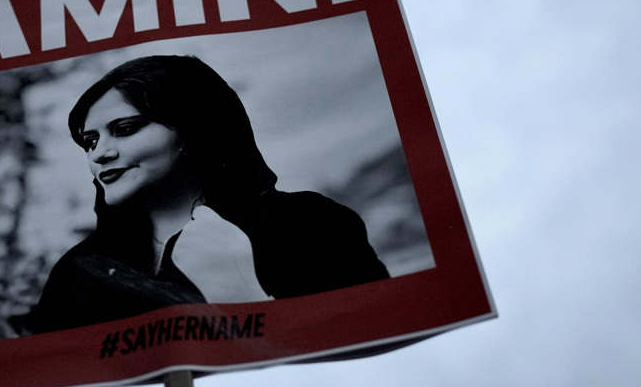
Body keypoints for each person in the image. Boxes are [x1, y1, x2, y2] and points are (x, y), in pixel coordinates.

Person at [25, 55, 389, 334]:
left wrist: (244, 295)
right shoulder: (77, 271)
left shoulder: (310, 223)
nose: (99, 154)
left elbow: (374, 341)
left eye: (125, 129)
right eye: (90, 141)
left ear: (192, 127)